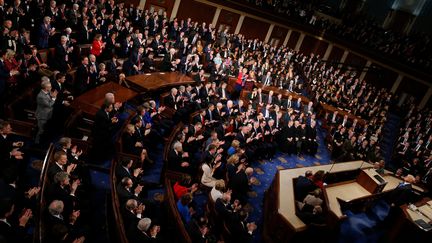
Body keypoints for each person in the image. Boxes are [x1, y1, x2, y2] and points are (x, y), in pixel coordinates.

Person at [35, 77, 57, 144]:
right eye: (50, 87)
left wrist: (52, 96)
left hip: (47, 114)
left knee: (45, 129)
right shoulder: (41, 96)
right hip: (42, 116)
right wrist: (54, 98)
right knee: (41, 131)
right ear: (46, 88)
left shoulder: (47, 92)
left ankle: (43, 141)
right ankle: (37, 143)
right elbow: (49, 105)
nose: (51, 88)